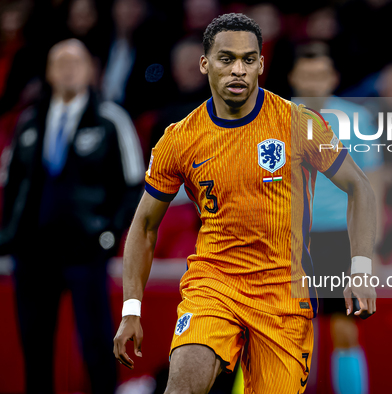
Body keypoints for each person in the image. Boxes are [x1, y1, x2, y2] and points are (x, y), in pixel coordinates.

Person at [112, 13, 377, 394]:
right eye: (226, 59)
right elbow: (144, 226)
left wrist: (362, 265)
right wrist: (131, 311)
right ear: (205, 64)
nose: (238, 69)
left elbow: (360, 187)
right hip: (213, 286)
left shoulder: (298, 123)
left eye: (248, 60)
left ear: (261, 64)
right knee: (182, 385)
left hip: (283, 292)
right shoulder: (179, 139)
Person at [0, 38, 144, 394]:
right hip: (33, 251)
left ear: (90, 71)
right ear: (48, 72)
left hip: (85, 249)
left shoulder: (111, 119)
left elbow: (134, 184)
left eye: (75, 61)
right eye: (59, 62)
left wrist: (108, 234)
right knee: (35, 346)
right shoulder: (29, 123)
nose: (67, 69)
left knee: (97, 343)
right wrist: (10, 235)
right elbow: (14, 186)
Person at [288, 42, 383, 394]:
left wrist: (372, 248)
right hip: (292, 239)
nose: (313, 83)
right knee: (293, 331)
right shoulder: (275, 117)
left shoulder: (358, 119)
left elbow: (374, 184)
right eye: (307, 75)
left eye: (320, 75)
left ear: (333, 78)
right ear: (293, 77)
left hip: (341, 237)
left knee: (345, 330)